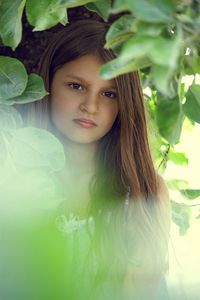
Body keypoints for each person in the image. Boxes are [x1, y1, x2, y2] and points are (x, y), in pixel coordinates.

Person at [25, 19, 170, 300]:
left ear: (123, 103)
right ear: (49, 84)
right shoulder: (12, 177)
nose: (90, 106)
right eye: (76, 86)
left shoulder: (144, 192)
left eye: (108, 93)